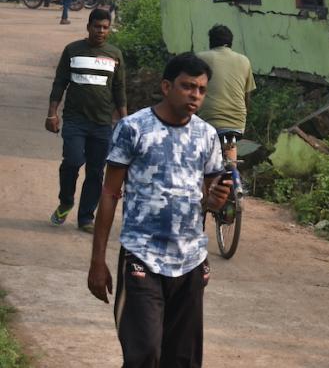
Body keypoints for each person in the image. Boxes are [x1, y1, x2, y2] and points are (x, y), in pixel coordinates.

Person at [87, 53, 229, 367]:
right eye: (187, 86)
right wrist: (97, 260)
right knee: (145, 354)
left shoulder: (206, 136)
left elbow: (212, 198)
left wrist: (218, 201)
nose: (195, 95)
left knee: (183, 359)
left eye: (202, 90)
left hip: (190, 261)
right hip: (143, 256)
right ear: (166, 86)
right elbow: (110, 193)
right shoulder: (133, 128)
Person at [46, 9, 126, 231]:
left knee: (96, 171)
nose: (100, 31)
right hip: (74, 120)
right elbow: (60, 82)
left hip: (102, 124)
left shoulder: (115, 55)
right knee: (72, 161)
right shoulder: (72, 50)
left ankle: (86, 218)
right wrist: (52, 113)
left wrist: (125, 121)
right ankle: (66, 201)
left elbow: (119, 90)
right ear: (88, 27)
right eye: (97, 26)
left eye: (105, 27)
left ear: (109, 30)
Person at [196, 25, 256, 160]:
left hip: (209, 120)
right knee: (230, 145)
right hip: (237, 122)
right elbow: (247, 96)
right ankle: (232, 173)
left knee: (207, 158)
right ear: (230, 42)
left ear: (211, 41)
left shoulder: (200, 59)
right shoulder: (244, 60)